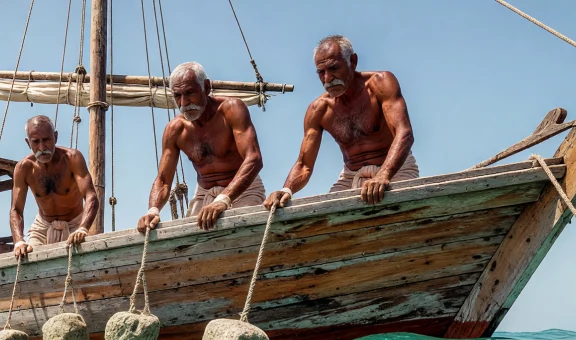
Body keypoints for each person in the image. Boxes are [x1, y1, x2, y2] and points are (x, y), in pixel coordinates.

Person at [265, 35, 417, 209]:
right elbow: (304, 164)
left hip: (395, 168)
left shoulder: (380, 84)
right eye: (321, 72)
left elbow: (404, 133)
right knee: (326, 221)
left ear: (353, 61)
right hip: (351, 176)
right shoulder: (319, 109)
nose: (328, 78)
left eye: (334, 68)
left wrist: (384, 175)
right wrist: (286, 189)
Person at [136, 62, 264, 234]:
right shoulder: (175, 130)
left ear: (206, 87)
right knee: (190, 246)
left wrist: (223, 199)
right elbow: (163, 180)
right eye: (177, 96)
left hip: (244, 189)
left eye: (189, 93)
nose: (184, 102)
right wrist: (153, 210)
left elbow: (254, 158)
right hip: (204, 194)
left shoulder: (231, 110)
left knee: (246, 236)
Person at [11, 115, 101, 259]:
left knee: (83, 262)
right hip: (42, 227)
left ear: (55, 137)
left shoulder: (72, 158)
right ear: (28, 143)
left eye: (46, 140)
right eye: (36, 142)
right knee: (27, 261)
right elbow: (16, 210)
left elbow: (91, 196)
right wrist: (19, 241)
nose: (42, 147)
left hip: (76, 223)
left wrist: (83, 228)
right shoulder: (24, 168)